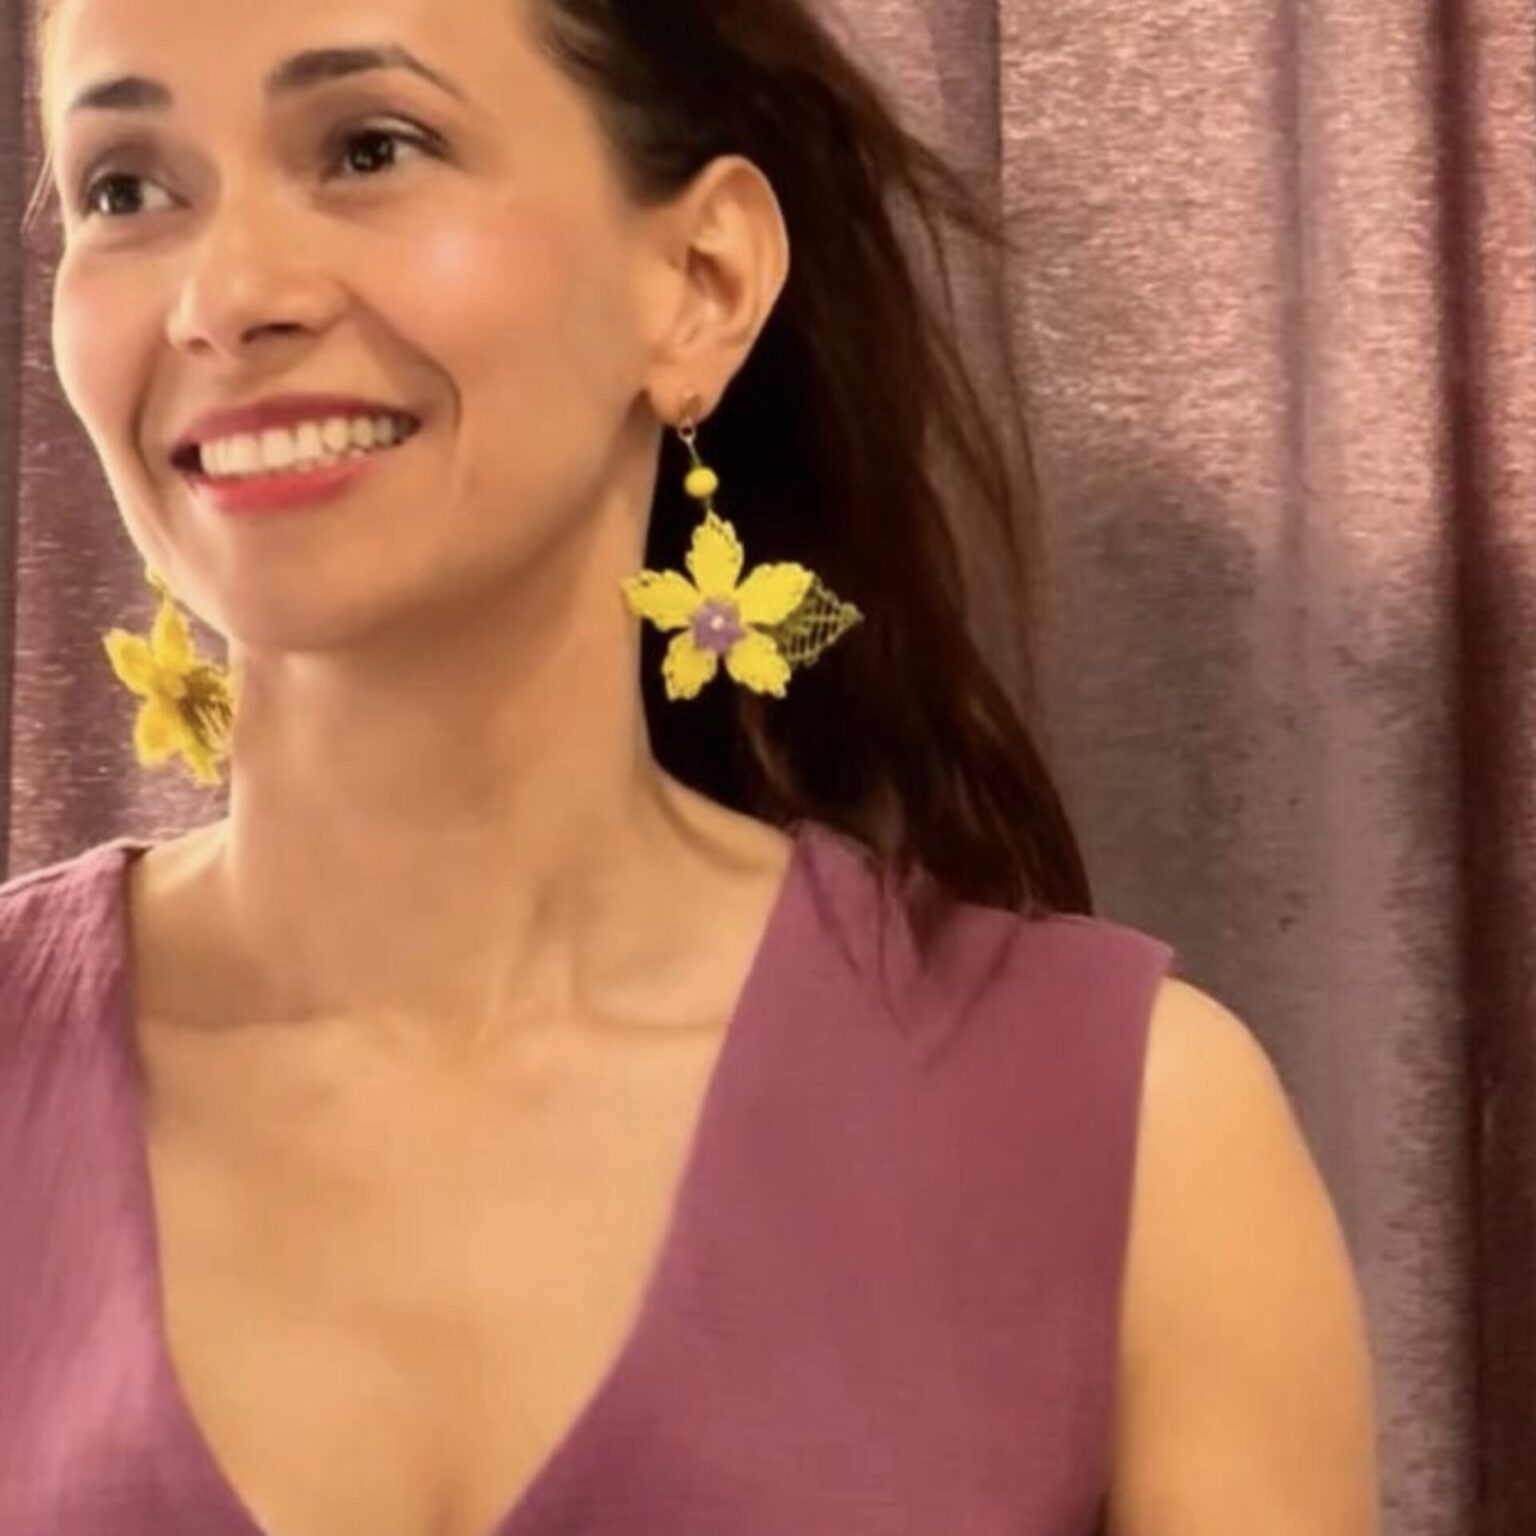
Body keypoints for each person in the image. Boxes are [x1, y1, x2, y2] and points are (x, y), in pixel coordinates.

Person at [0, 0, 1380, 1532]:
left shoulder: (1136, 1135)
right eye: (126, 186)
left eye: (370, 147)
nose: (224, 298)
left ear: (700, 282)